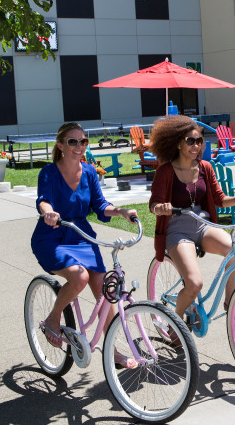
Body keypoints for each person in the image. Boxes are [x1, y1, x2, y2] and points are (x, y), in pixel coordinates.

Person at [32, 122, 139, 368]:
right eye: (73, 142)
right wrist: (48, 213)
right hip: (52, 235)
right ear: (60, 145)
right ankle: (53, 317)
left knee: (105, 291)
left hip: (81, 235)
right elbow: (44, 200)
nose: (79, 147)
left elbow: (100, 205)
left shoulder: (89, 172)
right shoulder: (48, 172)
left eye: (83, 141)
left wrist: (121, 211)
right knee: (79, 278)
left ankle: (112, 349)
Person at [149, 116, 235, 324]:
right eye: (190, 141)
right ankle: (176, 322)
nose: (196, 145)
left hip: (204, 226)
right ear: (178, 143)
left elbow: (219, 199)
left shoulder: (205, 167)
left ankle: (231, 300)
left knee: (233, 252)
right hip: (177, 231)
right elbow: (153, 204)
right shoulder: (165, 171)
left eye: (199, 141)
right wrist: (161, 208)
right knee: (194, 284)